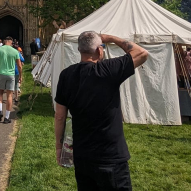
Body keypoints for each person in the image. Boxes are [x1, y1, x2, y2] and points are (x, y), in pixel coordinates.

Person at [54, 32, 148, 191]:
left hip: (82, 155)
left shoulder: (66, 75)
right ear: (99, 50)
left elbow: (60, 116)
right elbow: (142, 53)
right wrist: (111, 38)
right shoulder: (108, 70)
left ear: (79, 49)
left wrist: (58, 147)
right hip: (110, 156)